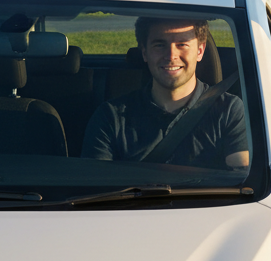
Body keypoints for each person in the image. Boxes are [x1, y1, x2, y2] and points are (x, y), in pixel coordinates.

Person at [82, 18, 250, 170]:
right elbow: (95, 188)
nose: (171, 56)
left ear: (200, 51)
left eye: (182, 44)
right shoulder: (110, 116)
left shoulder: (228, 110)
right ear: (144, 53)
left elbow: (241, 180)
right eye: (159, 45)